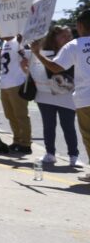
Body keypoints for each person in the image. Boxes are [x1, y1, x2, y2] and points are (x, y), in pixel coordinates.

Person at [31, 10, 90, 182]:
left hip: (86, 99)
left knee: (88, 135)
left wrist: (36, 53)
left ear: (79, 26)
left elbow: (56, 67)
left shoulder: (74, 46)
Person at [29, 25, 79, 167]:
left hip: (67, 95)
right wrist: (26, 65)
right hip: (45, 95)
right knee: (48, 125)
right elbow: (33, 70)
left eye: (70, 36)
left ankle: (73, 155)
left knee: (68, 125)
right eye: (64, 36)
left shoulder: (73, 50)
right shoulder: (41, 51)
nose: (68, 39)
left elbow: (57, 68)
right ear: (54, 37)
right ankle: (50, 153)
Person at [0, 28, 32, 155]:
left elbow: (26, 55)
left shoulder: (18, 41)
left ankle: (26, 143)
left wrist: (21, 42)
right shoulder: (5, 44)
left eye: (0, 30)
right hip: (5, 84)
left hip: (17, 83)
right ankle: (17, 140)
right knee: (10, 115)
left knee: (21, 115)